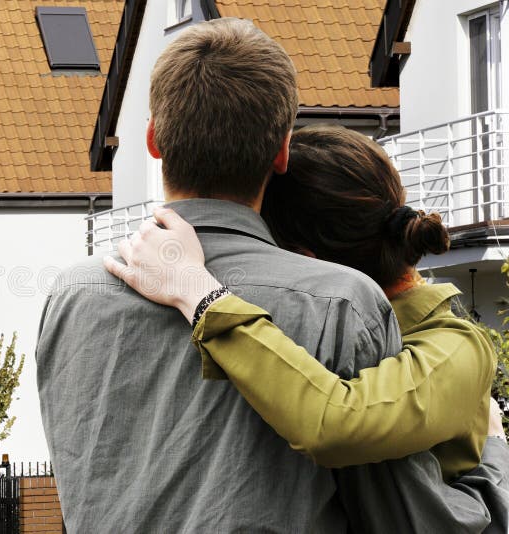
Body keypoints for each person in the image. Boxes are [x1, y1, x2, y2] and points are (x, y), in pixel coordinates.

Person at [37, 19, 501, 532]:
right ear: (280, 151)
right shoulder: (340, 305)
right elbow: (402, 513)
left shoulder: (73, 293)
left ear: (152, 139)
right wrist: (496, 454)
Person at [105, 125, 509, 531]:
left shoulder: (455, 345)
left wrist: (199, 292)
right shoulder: (311, 325)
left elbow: (336, 422)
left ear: (303, 259)